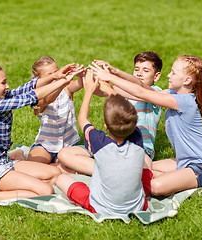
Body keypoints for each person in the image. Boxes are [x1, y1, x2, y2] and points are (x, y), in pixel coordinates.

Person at [90, 55, 202, 197]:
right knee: (138, 169)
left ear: (187, 80)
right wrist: (110, 78)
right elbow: (141, 90)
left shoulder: (185, 101)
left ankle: (179, 180)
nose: (169, 75)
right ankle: (175, 179)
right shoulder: (172, 94)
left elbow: (142, 93)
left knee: (154, 186)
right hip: (184, 161)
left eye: (173, 72)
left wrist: (110, 77)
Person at [0, 62, 77, 200]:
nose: (7, 86)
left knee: (54, 173)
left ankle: (19, 176)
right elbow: (29, 98)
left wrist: (56, 76)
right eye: (3, 83)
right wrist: (62, 82)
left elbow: (26, 88)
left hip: (3, 162)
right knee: (46, 190)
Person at [55, 69, 152, 215]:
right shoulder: (137, 137)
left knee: (61, 178)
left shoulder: (100, 143)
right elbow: (128, 112)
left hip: (101, 207)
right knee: (145, 161)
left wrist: (88, 91)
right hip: (138, 206)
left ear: (105, 126)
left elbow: (83, 119)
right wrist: (110, 91)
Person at [94, 51, 163, 161]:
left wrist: (114, 73)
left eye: (145, 70)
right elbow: (101, 91)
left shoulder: (157, 92)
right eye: (136, 69)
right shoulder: (126, 92)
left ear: (156, 76)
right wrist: (90, 78)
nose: (139, 73)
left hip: (142, 149)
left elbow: (141, 87)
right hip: (118, 144)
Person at [27, 56, 84, 164]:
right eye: (50, 75)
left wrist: (80, 76)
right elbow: (47, 100)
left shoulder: (66, 89)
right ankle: (19, 155)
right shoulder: (38, 96)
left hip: (67, 145)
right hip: (45, 144)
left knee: (68, 166)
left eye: (57, 72)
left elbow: (78, 85)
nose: (57, 76)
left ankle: (53, 168)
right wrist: (61, 83)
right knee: (34, 166)